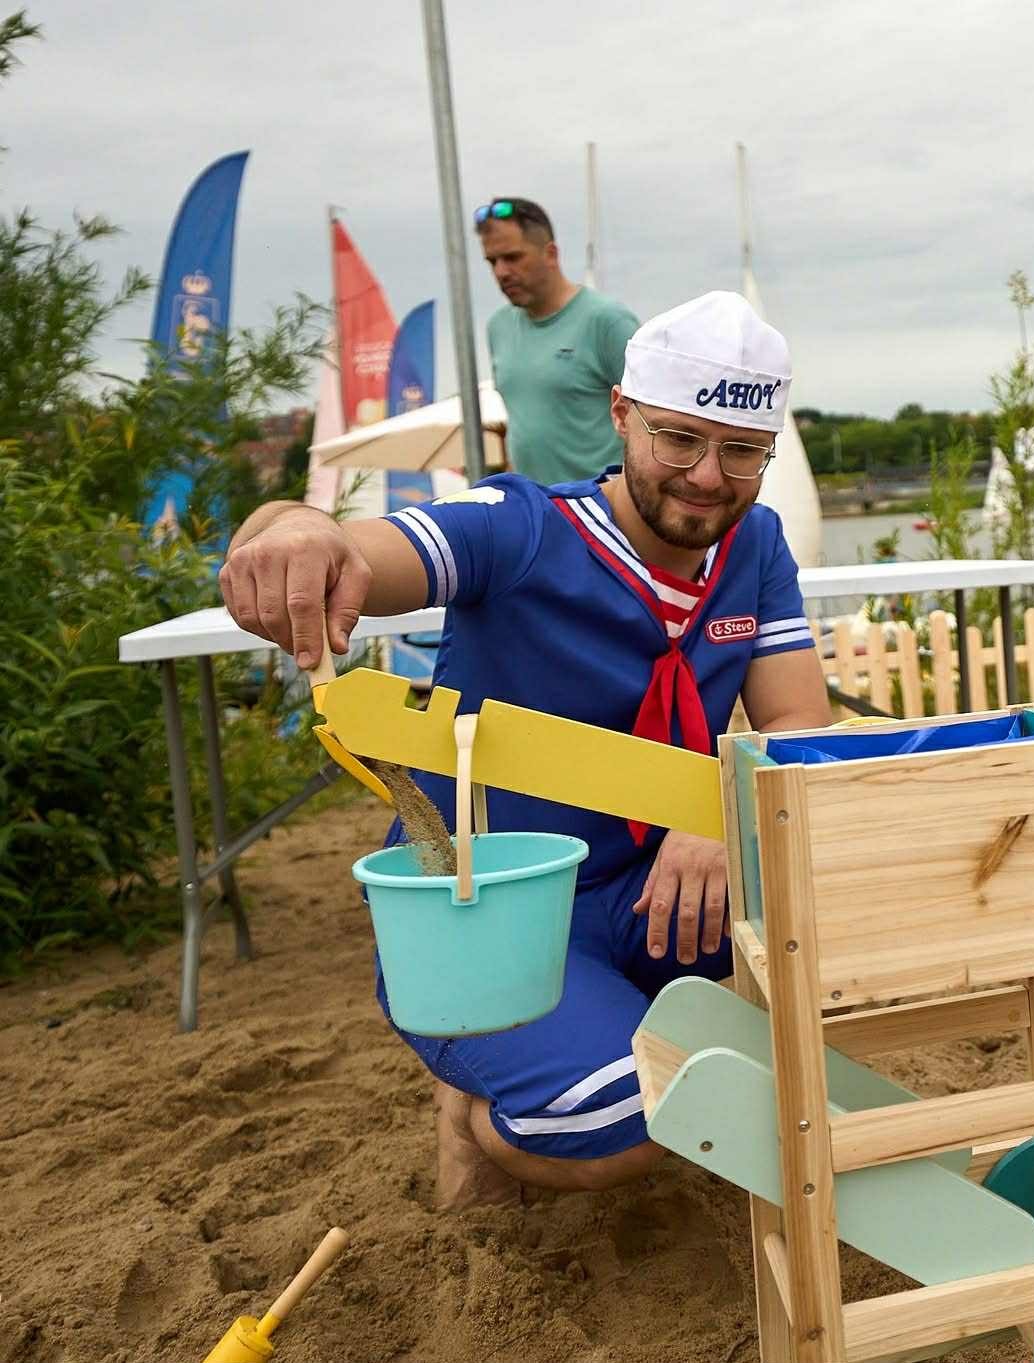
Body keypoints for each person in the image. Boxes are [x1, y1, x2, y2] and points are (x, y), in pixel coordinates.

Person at [218, 291, 833, 1208]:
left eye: (742, 450)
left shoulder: (757, 544)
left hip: (656, 886)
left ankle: (562, 1042)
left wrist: (720, 797)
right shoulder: (520, 527)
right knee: (621, 1120)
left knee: (804, 1002)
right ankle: (471, 1113)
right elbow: (366, 554)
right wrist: (298, 529)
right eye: (678, 439)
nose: (709, 476)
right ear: (621, 414)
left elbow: (798, 728)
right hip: (486, 913)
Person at [476, 196, 641, 484]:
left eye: (513, 258)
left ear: (551, 254)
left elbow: (654, 421)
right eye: (493, 261)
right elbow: (526, 426)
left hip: (604, 512)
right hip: (539, 511)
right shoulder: (498, 328)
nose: (501, 272)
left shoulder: (607, 321)